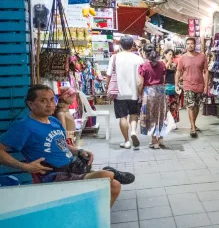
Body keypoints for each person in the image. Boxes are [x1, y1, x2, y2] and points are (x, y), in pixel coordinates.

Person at [0, 85, 134, 206]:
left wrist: (79, 151)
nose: (50, 104)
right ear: (30, 104)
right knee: (106, 176)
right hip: (53, 177)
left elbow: (61, 144)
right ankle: (109, 172)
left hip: (72, 168)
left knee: (114, 186)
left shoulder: (53, 121)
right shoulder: (24, 126)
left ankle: (98, 227)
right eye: (43, 101)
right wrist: (25, 166)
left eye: (52, 99)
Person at [106, 35, 143, 150]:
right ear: (132, 45)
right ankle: (133, 131)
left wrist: (107, 88)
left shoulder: (115, 57)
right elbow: (141, 77)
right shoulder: (138, 58)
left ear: (121, 45)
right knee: (133, 114)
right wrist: (141, 92)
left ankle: (127, 141)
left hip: (119, 93)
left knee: (122, 116)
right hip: (134, 92)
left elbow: (108, 75)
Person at [176, 37, 207, 138]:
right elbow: (178, 71)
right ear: (186, 45)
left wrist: (206, 85)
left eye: (192, 43)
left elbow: (206, 71)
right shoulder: (182, 58)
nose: (190, 45)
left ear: (195, 45)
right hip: (188, 85)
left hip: (199, 84)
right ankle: (193, 127)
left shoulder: (202, 57)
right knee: (190, 106)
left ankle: (193, 123)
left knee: (197, 106)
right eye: (188, 43)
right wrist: (176, 84)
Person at [138, 44, 167, 149]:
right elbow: (163, 80)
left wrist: (139, 95)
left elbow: (140, 83)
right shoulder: (162, 65)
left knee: (150, 115)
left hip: (149, 92)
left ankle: (154, 141)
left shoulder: (143, 66)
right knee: (161, 114)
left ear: (146, 55)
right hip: (161, 91)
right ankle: (161, 137)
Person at [163, 49, 179, 124]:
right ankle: (165, 120)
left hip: (173, 86)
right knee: (166, 104)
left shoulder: (174, 65)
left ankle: (173, 121)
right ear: (165, 55)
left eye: (172, 55)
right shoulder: (161, 63)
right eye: (169, 54)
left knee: (173, 104)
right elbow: (163, 70)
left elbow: (176, 75)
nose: (171, 56)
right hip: (165, 86)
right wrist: (169, 62)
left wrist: (177, 85)